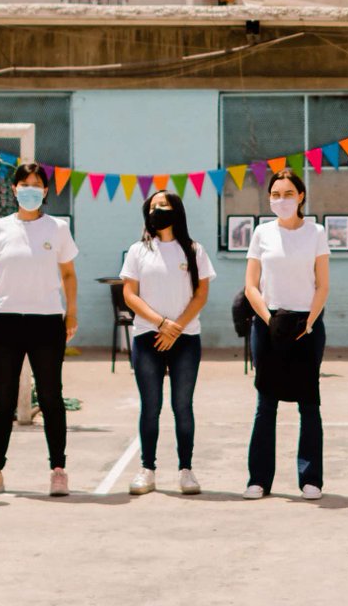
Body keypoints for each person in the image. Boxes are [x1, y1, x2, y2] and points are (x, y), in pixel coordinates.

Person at [0, 162, 78, 498]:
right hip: (4, 320)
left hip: (47, 320)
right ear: (14, 189)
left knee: (50, 397)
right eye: (24, 184)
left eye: (37, 184)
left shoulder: (58, 228)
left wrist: (71, 315)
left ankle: (58, 470)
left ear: (45, 190)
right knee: (2, 398)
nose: (30, 189)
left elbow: (68, 275)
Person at [120, 191, 216, 495]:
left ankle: (186, 470)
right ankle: (147, 469)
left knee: (182, 405)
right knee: (151, 406)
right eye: (152, 207)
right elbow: (130, 294)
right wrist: (161, 323)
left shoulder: (194, 250)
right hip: (148, 337)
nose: (158, 210)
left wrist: (176, 327)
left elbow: (201, 294)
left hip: (185, 338)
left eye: (164, 205)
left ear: (177, 210)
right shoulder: (138, 250)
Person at [243, 169, 329, 500]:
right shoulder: (261, 233)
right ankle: (259, 479)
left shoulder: (316, 232)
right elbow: (251, 285)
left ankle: (311, 479)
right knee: (266, 404)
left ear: (301, 196)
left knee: (309, 403)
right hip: (269, 322)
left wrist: (309, 322)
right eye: (276, 195)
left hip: (306, 323)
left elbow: (322, 283)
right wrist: (268, 320)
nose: (282, 200)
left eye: (288, 193)